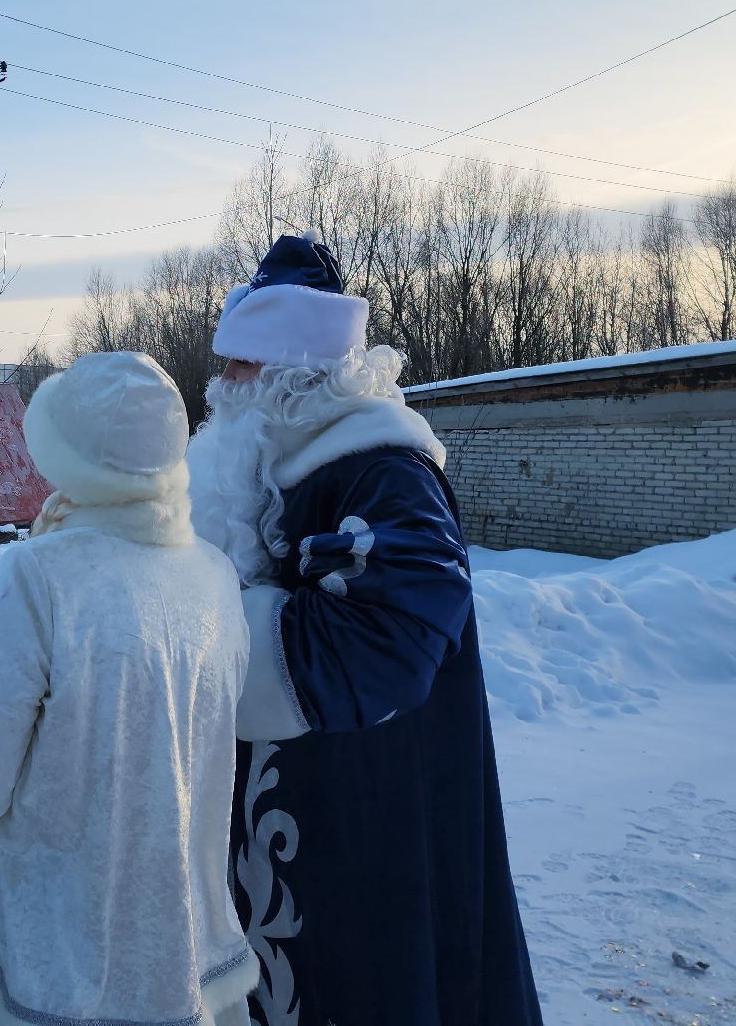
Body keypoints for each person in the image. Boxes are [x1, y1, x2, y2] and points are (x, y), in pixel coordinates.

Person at [186, 234, 543, 1025]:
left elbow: (389, 635)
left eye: (240, 366)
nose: (224, 386)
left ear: (288, 371)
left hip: (366, 824)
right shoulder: (279, 464)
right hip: (298, 826)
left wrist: (202, 641)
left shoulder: (383, 468)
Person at [0, 351, 257, 1026]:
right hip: (177, 949)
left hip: (45, 961)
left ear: (66, 449)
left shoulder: (41, 577)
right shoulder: (214, 577)